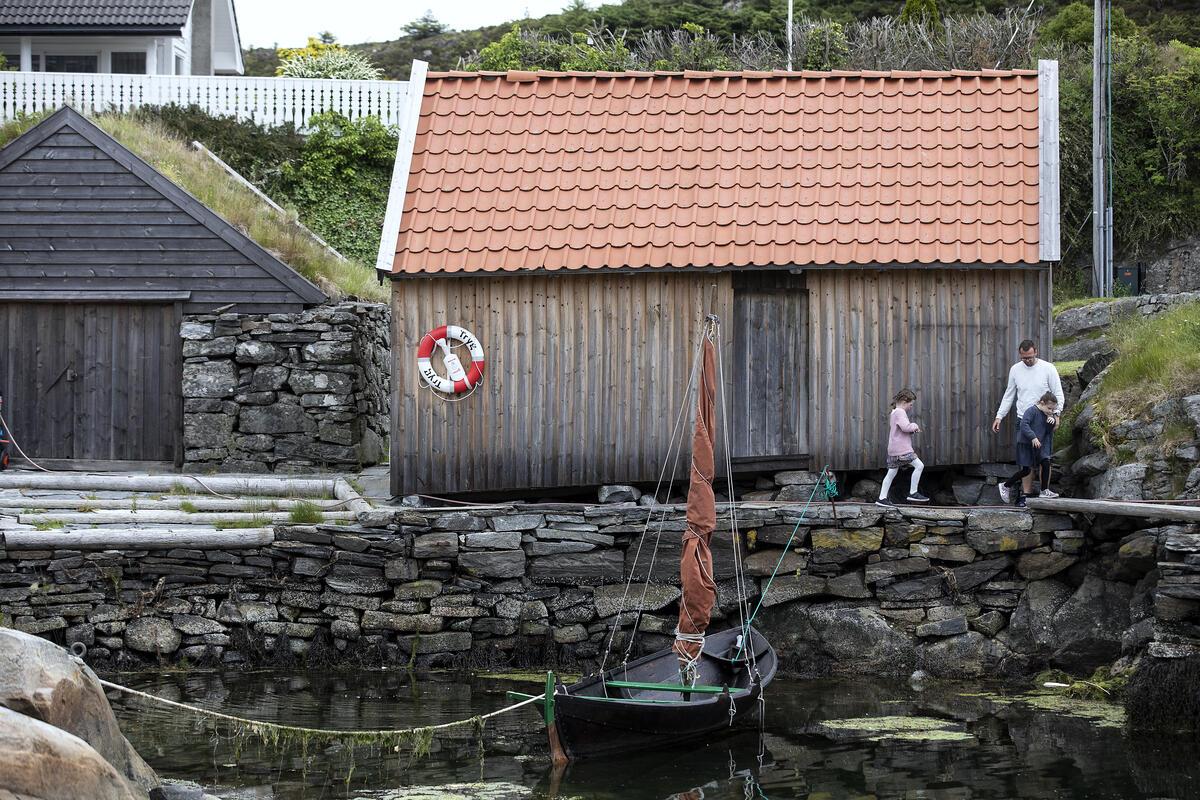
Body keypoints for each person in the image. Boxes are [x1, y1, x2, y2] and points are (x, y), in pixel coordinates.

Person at [992, 339, 1064, 502]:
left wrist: (1057, 415)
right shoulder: (1015, 370)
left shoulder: (1048, 368)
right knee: (1027, 461)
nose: (1027, 361)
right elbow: (1009, 394)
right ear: (1020, 355)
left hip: (1045, 420)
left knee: (1044, 457)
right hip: (1023, 420)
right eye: (1024, 358)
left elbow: (1058, 394)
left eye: (1030, 357)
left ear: (1036, 352)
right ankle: (1026, 495)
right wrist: (999, 416)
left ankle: (1044, 491)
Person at [1003, 392, 1059, 507]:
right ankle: (1005, 485)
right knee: (1026, 471)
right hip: (1025, 444)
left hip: (1037, 446)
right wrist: (1033, 437)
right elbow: (1024, 425)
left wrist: (1050, 423)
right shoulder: (1031, 411)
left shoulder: (1047, 414)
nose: (1050, 411)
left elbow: (1047, 432)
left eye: (1053, 410)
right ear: (1042, 403)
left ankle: (1044, 491)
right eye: (1049, 408)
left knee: (1046, 462)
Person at [877, 389, 930, 507]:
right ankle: (913, 492)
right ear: (904, 401)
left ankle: (881, 498)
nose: (911, 407)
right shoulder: (900, 412)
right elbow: (906, 427)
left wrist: (911, 430)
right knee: (919, 465)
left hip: (893, 450)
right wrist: (915, 426)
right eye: (910, 404)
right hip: (902, 449)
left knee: (891, 473)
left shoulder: (894, 412)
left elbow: (901, 430)